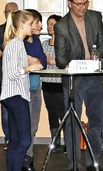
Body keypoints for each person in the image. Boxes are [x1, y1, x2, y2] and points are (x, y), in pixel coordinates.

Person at [53, 0, 103, 171]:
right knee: (72, 124)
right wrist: (79, 63)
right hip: (73, 80)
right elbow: (60, 59)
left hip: (94, 78)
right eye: (78, 4)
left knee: (96, 120)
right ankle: (74, 165)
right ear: (70, 4)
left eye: (85, 3)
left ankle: (94, 162)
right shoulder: (61, 26)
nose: (83, 8)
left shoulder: (96, 17)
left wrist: (95, 57)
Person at [1, 10, 43, 171]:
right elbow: (12, 74)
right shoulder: (15, 44)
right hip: (16, 96)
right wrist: (29, 68)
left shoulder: (16, 44)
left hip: (14, 96)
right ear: (20, 25)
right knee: (24, 140)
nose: (33, 26)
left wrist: (28, 67)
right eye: (30, 23)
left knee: (16, 140)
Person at [22, 8, 47, 171]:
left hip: (36, 87)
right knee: (23, 125)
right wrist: (32, 61)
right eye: (37, 22)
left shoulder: (37, 41)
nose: (40, 25)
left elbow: (42, 62)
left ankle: (29, 157)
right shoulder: (19, 41)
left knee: (33, 125)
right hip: (23, 89)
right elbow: (24, 63)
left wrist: (34, 61)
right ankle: (23, 158)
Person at [0, 2, 18, 149]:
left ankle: (17, 139)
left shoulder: (22, 29)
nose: (9, 14)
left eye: (13, 12)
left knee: (19, 110)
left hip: (20, 75)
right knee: (5, 112)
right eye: (7, 12)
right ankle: (8, 138)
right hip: (3, 75)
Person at [40, 14, 64, 150]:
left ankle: (68, 142)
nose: (49, 27)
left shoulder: (64, 44)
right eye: (48, 24)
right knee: (51, 113)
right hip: (47, 83)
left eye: (52, 24)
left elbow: (67, 61)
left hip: (60, 84)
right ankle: (55, 141)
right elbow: (42, 60)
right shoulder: (44, 43)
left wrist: (53, 61)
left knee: (63, 112)